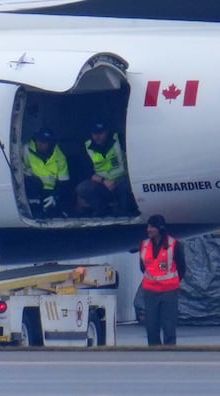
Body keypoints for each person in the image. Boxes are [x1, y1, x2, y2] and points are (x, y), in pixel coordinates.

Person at [139, 215, 185, 346]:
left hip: (169, 291)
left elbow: (182, 267)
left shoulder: (174, 245)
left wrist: (171, 281)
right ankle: (154, 355)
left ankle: (170, 355)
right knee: (151, 326)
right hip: (150, 291)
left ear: (160, 228)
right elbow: (143, 267)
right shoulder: (144, 245)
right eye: (148, 226)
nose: (149, 229)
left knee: (169, 326)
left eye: (152, 226)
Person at [75, 121, 134, 217]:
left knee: (125, 183)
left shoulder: (119, 139)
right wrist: (104, 181)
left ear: (107, 132)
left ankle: (123, 211)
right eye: (94, 133)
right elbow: (86, 172)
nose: (97, 136)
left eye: (100, 133)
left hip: (121, 181)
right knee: (83, 188)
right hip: (102, 184)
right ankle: (101, 209)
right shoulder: (87, 146)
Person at [23, 127, 70, 218]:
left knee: (54, 214)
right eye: (39, 140)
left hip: (50, 193)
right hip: (30, 189)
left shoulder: (60, 157)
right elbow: (19, 170)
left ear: (51, 143)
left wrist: (55, 197)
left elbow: (64, 183)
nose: (40, 144)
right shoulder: (26, 150)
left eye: (44, 142)